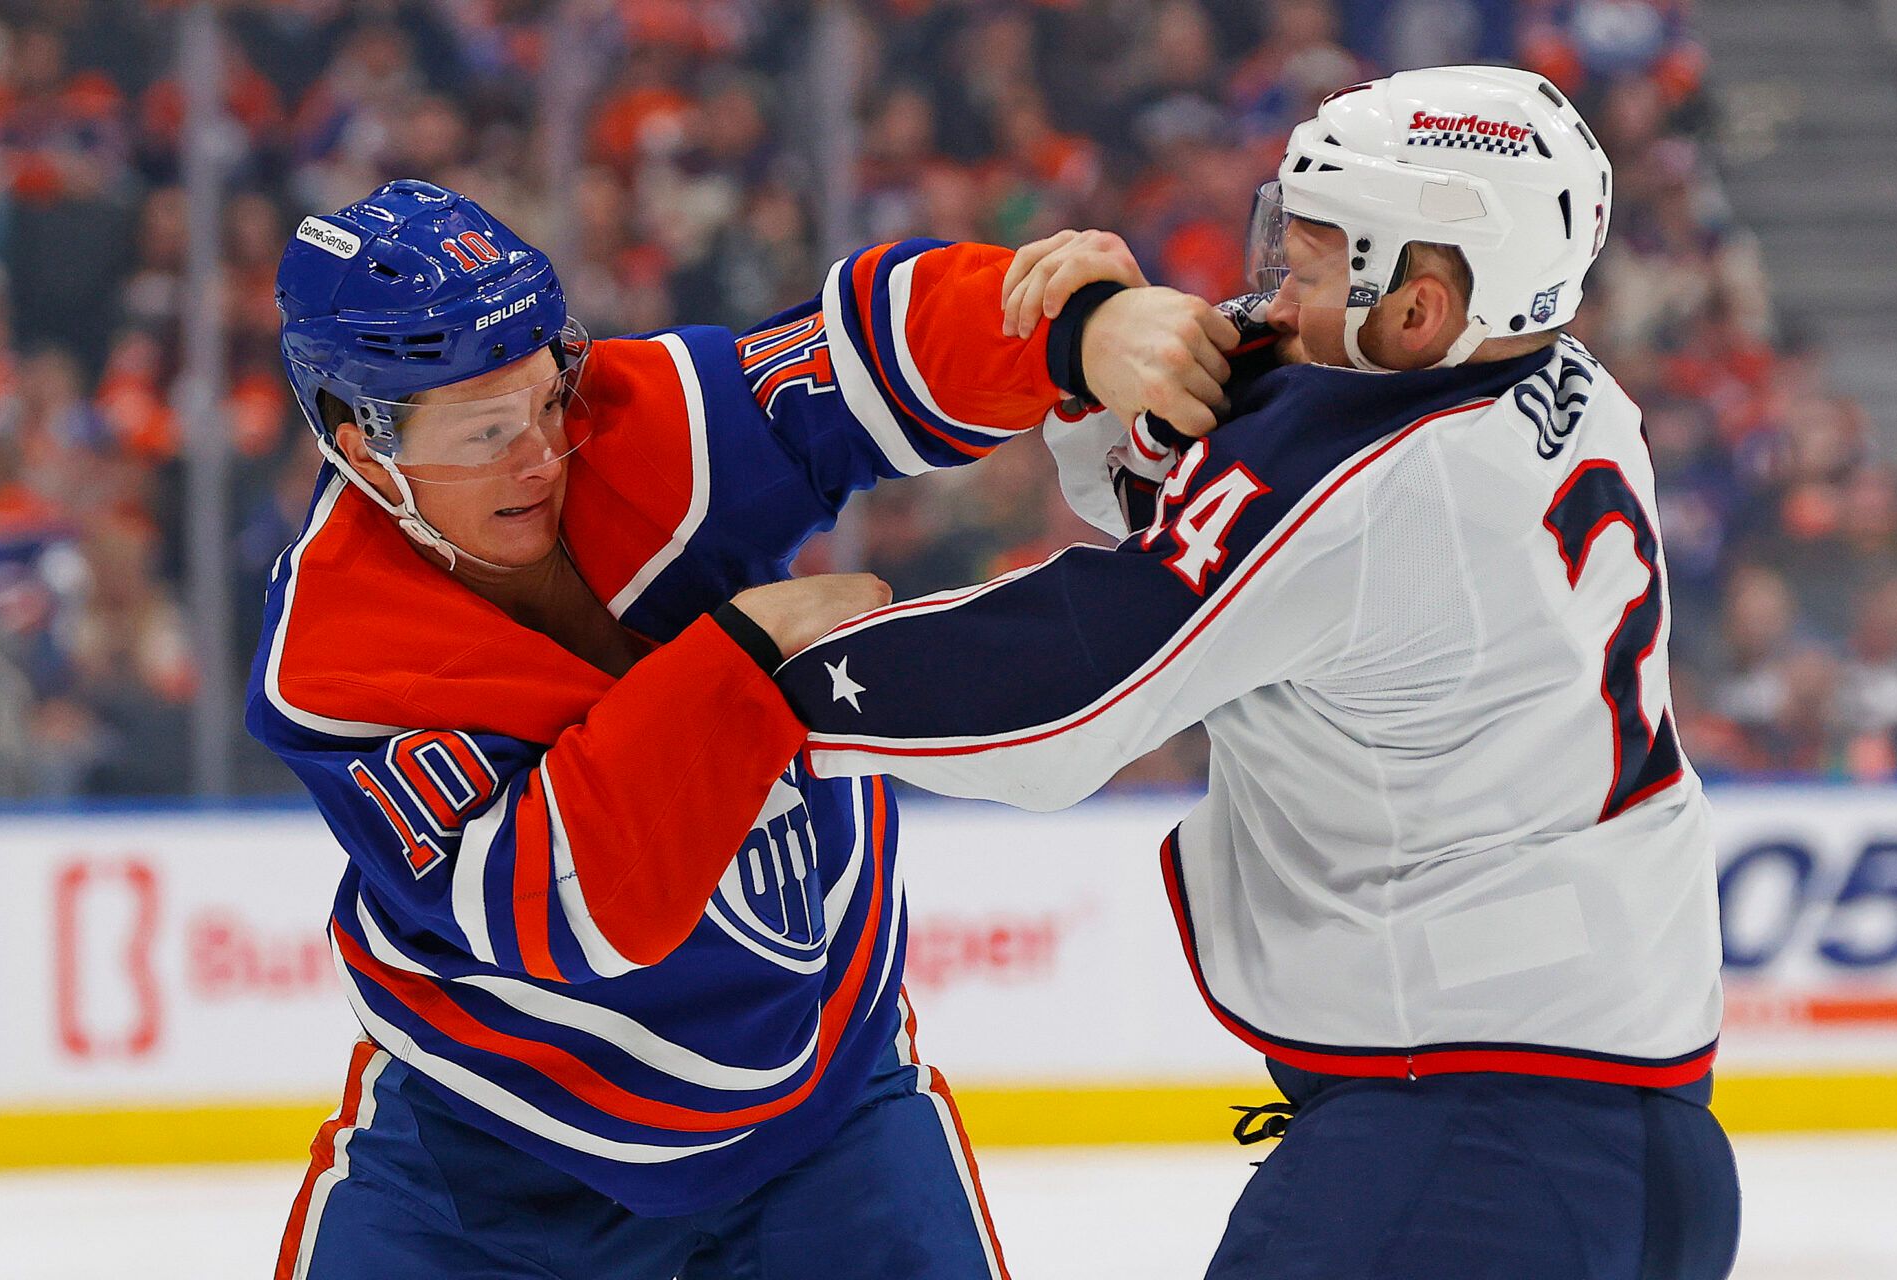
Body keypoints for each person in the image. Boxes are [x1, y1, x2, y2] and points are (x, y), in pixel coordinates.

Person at [776, 67, 1740, 1279]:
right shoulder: (1569, 391)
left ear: (1419, 309)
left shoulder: (1374, 494)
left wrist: (762, 677)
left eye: (1318, 260)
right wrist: (1107, 357)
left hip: (1471, 1150)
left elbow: (1063, 700)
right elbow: (1232, 521)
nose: (1276, 289)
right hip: (1603, 1135)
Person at [249, 178, 1235, 1279]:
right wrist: (747, 653)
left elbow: (856, 357)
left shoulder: (632, 416)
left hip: (828, 1108)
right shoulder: (335, 661)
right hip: (493, 1153)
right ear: (356, 434)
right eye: (484, 430)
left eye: (543, 396)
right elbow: (570, 901)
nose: (539, 453)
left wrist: (1070, 330)